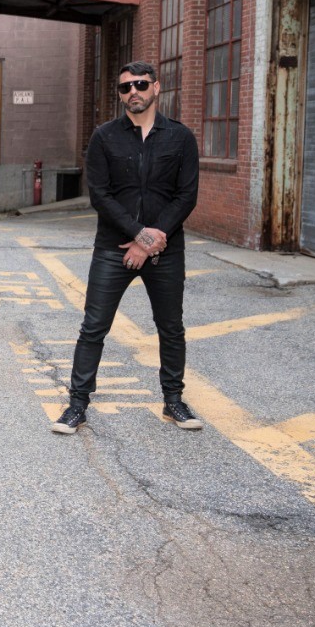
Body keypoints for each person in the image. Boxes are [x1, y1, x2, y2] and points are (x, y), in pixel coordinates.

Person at [52, 61, 201, 434]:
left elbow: (186, 195)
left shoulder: (180, 137)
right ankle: (77, 406)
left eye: (140, 84)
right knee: (93, 327)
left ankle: (173, 401)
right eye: (125, 87)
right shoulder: (104, 137)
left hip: (166, 251)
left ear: (156, 87)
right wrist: (140, 235)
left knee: (171, 327)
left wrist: (152, 240)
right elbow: (100, 196)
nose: (133, 91)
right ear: (120, 95)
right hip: (112, 248)